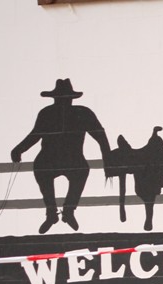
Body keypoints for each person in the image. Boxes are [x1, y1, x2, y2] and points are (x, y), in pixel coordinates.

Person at [10, 78, 111, 234]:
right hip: (53, 159)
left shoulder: (78, 113)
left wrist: (108, 159)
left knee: (79, 171)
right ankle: (53, 212)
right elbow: (35, 135)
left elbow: (100, 136)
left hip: (66, 159)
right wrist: (19, 149)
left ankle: (67, 211)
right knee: (50, 171)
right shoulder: (54, 113)